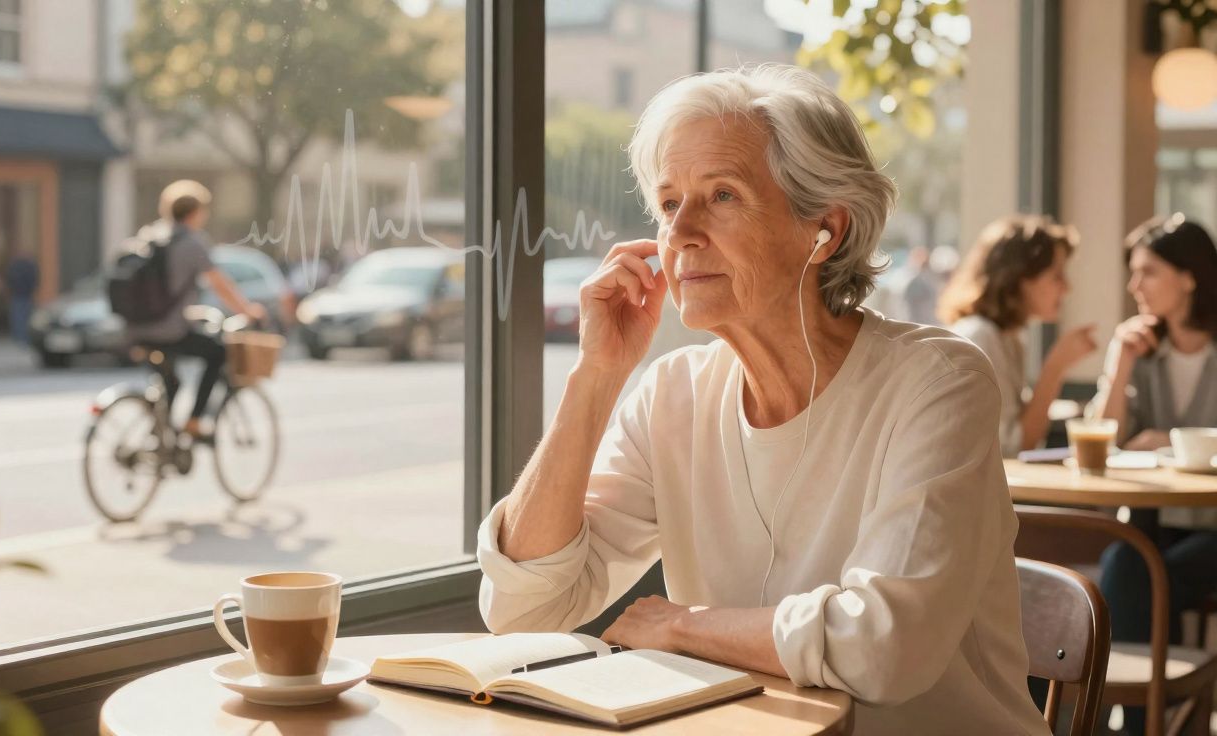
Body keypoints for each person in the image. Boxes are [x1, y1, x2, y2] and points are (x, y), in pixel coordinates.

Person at [477, 65, 1047, 735]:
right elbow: (523, 605)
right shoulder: (672, 395)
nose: (681, 232)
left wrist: (681, 626)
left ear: (823, 231)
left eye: (721, 195)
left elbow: (885, 649)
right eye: (667, 204)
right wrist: (595, 376)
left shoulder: (936, 381)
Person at [1092, 214, 1217, 735]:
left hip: (1213, 528)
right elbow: (1102, 440)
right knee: (1123, 559)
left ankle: (1135, 724)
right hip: (1156, 520)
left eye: (1147, 272)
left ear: (1188, 276)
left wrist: (1169, 440)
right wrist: (1119, 361)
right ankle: (1145, 723)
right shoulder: (1141, 350)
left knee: (1140, 574)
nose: (1133, 286)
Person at [937, 216, 1098, 457]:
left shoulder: (1006, 339)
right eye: (1057, 275)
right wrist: (1055, 367)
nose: (1067, 287)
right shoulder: (980, 338)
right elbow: (1014, 447)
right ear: (1019, 279)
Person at [125, 182, 265, 438]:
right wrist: (246, 310)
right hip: (168, 330)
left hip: (135, 328)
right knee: (217, 354)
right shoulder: (191, 242)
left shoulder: (152, 235)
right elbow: (219, 283)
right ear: (196, 212)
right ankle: (194, 421)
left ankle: (162, 437)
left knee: (172, 382)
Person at [6, 247, 39, 344]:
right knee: (21, 317)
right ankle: (22, 337)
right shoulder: (27, 265)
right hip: (22, 295)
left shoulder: (17, 265)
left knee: (21, 317)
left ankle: (20, 337)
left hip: (21, 294)